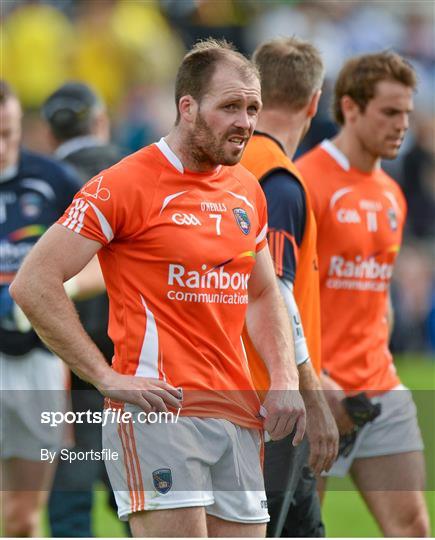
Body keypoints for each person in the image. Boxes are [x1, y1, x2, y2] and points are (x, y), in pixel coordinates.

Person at [10, 39, 306, 538]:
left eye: (252, 107)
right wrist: (105, 377)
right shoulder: (123, 183)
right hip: (158, 415)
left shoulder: (246, 191)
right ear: (186, 107)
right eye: (230, 106)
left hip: (237, 412)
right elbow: (33, 283)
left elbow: (261, 292)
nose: (245, 121)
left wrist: (284, 379)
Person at [297, 51, 430, 537]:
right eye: (389, 113)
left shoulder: (390, 194)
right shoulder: (306, 182)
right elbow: (280, 293)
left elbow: (380, 297)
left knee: (413, 527)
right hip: (320, 394)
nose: (402, 126)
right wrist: (314, 380)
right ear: (350, 108)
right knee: (302, 529)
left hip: (379, 389)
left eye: (407, 115)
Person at [241, 37, 338, 537]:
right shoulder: (277, 178)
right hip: (271, 402)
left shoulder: (233, 162)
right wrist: (313, 395)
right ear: (315, 101)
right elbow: (275, 293)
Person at [42, 81, 125, 537]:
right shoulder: (136, 173)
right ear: (100, 120)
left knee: (71, 503)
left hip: (66, 367)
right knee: (148, 498)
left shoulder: (41, 182)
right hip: (139, 366)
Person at [0, 80, 81, 537]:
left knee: (22, 520)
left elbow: (102, 263)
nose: (1, 146)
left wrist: (52, 292)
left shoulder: (53, 182)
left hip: (38, 364)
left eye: (8, 133)